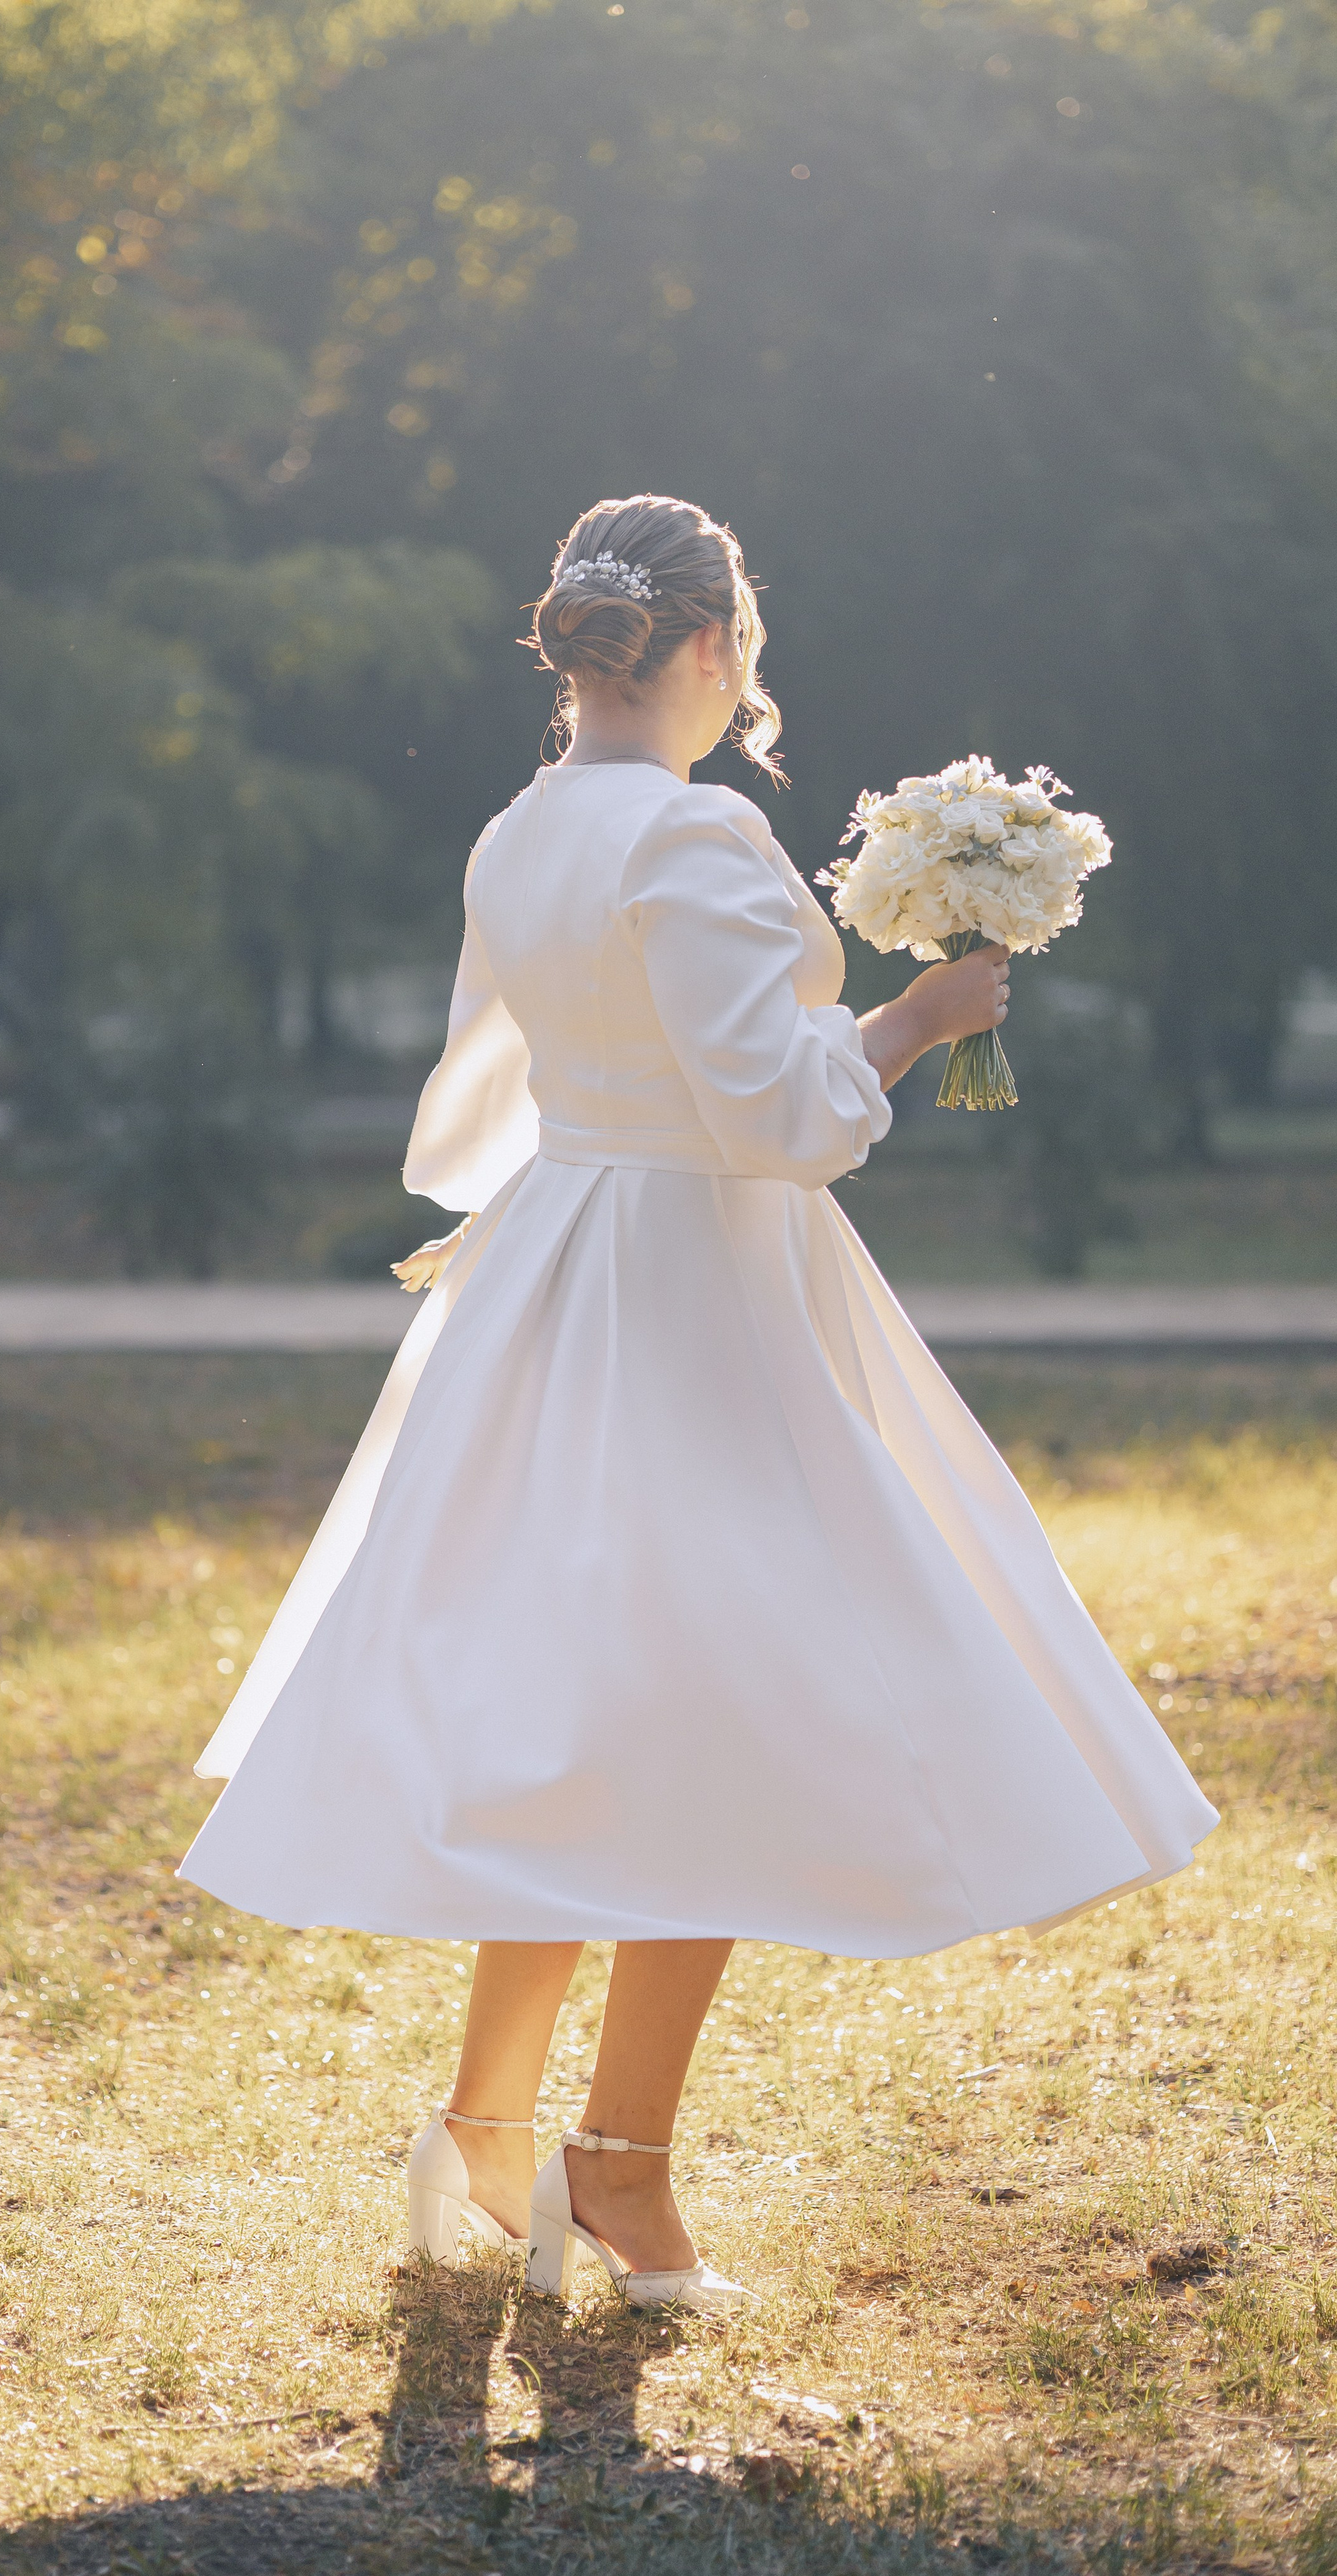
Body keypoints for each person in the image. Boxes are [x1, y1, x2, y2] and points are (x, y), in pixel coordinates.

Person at [178, 494, 1216, 2317]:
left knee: (595, 1717)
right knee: (715, 1712)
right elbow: (782, 1117)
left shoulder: (522, 832)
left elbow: (509, 1082)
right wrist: (914, 1018)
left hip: (565, 1269)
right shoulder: (698, 832)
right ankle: (621, 2164)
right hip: (693, 1294)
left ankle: (490, 2126)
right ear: (716, 651)